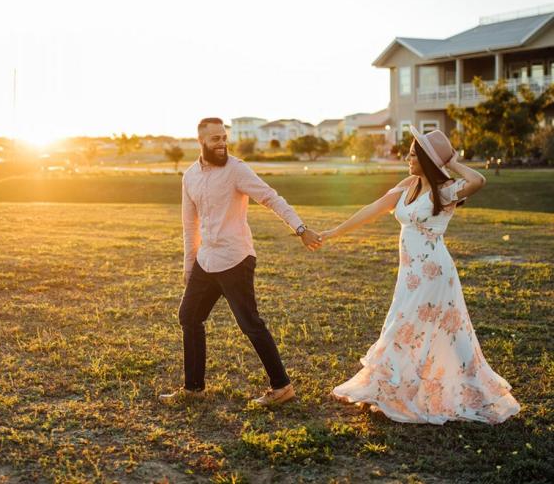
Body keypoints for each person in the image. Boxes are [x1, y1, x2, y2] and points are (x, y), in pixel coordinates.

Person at [321, 126, 520, 424]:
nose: (407, 159)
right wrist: (333, 233)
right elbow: (372, 209)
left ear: (428, 159)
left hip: (435, 274)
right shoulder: (408, 185)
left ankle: (442, 390)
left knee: (415, 327)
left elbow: (478, 180)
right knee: (410, 326)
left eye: (414, 155)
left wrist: (449, 160)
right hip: (410, 273)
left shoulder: (446, 191)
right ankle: (398, 389)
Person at [160, 117, 322, 406]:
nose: (222, 143)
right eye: (215, 139)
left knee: (250, 323)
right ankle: (193, 388)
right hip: (206, 260)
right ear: (201, 142)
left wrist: (300, 228)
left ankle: (282, 387)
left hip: (236, 258)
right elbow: (190, 224)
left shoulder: (236, 170)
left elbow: (271, 198)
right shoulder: (190, 177)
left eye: (224, 137)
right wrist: (189, 265)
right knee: (189, 316)